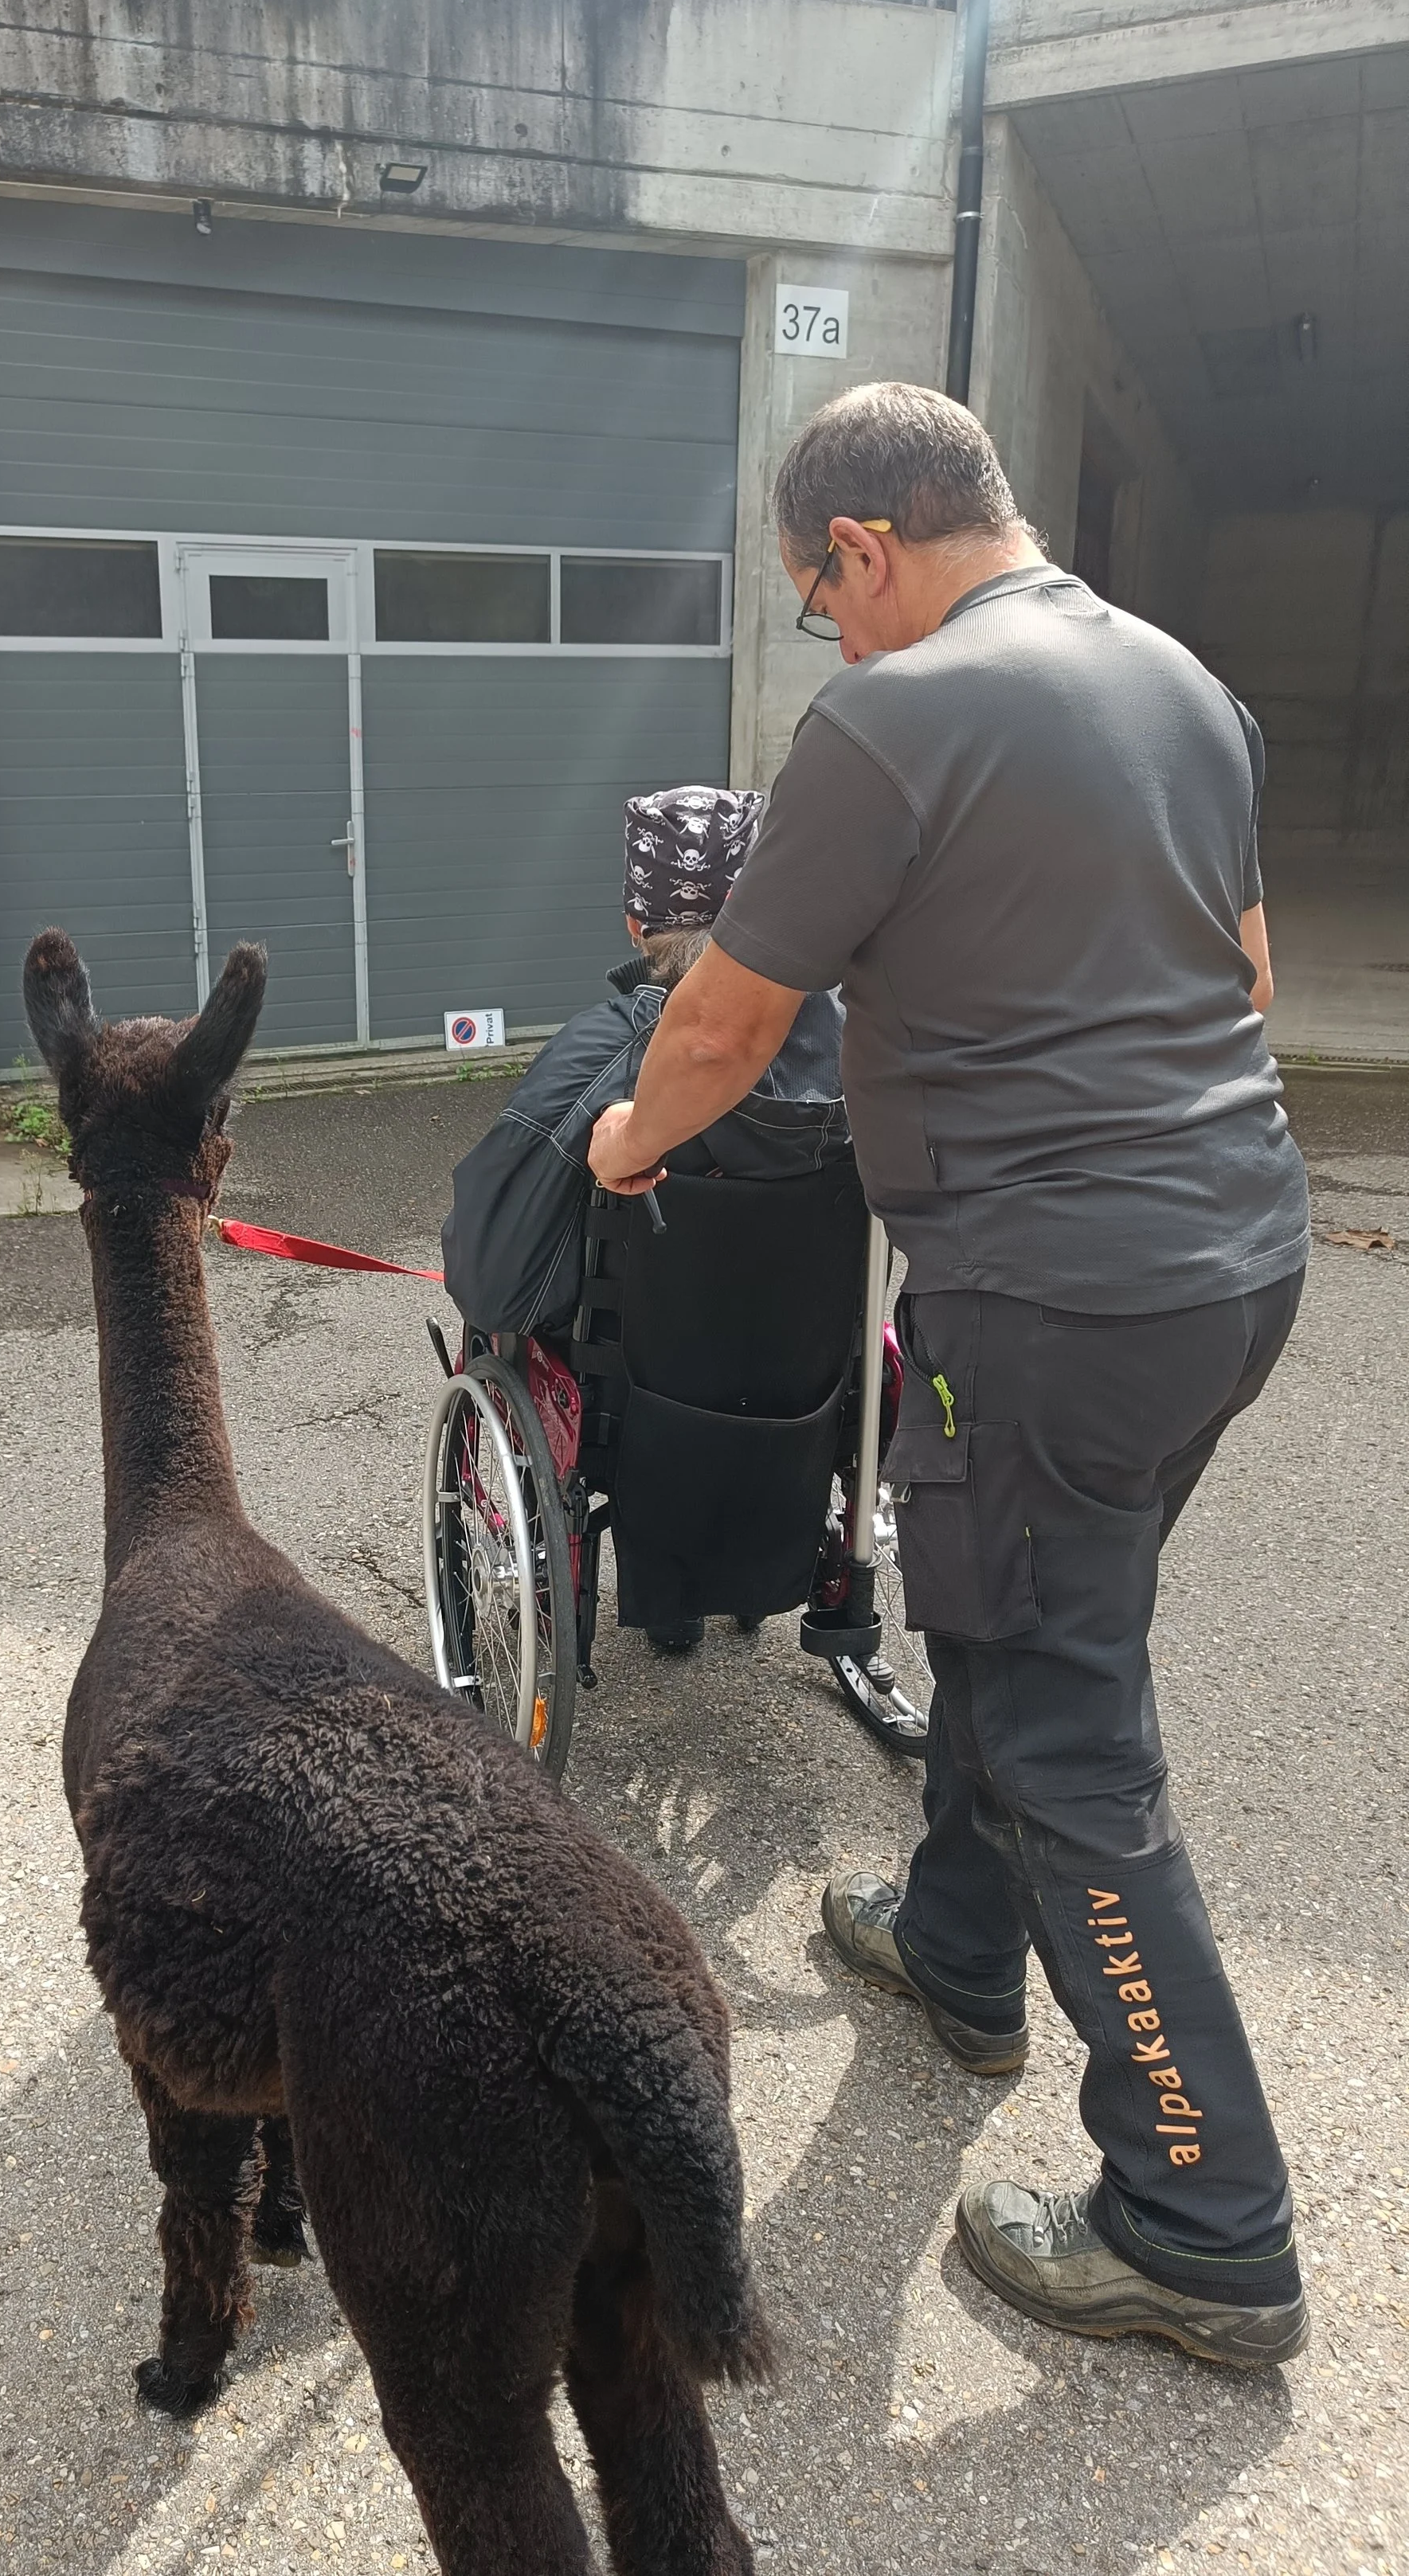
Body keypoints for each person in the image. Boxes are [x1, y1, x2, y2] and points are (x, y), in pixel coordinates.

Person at [589, 382, 1310, 2369]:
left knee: (1072, 1720)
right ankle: (962, 1947)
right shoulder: (1179, 680)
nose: (830, 639)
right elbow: (1245, 980)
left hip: (1052, 1296)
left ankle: (1203, 2215)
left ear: (865, 549)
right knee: (1015, 1614)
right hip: (1236, 1256)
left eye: (821, 602)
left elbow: (726, 1019)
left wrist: (626, 1142)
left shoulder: (889, 719)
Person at [442, 784, 850, 1654]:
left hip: (641, 1388)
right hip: (807, 1367)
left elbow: (493, 1267)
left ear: (636, 922)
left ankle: (670, 1601)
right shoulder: (860, 1048)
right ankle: (755, 1564)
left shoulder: (614, 1051)